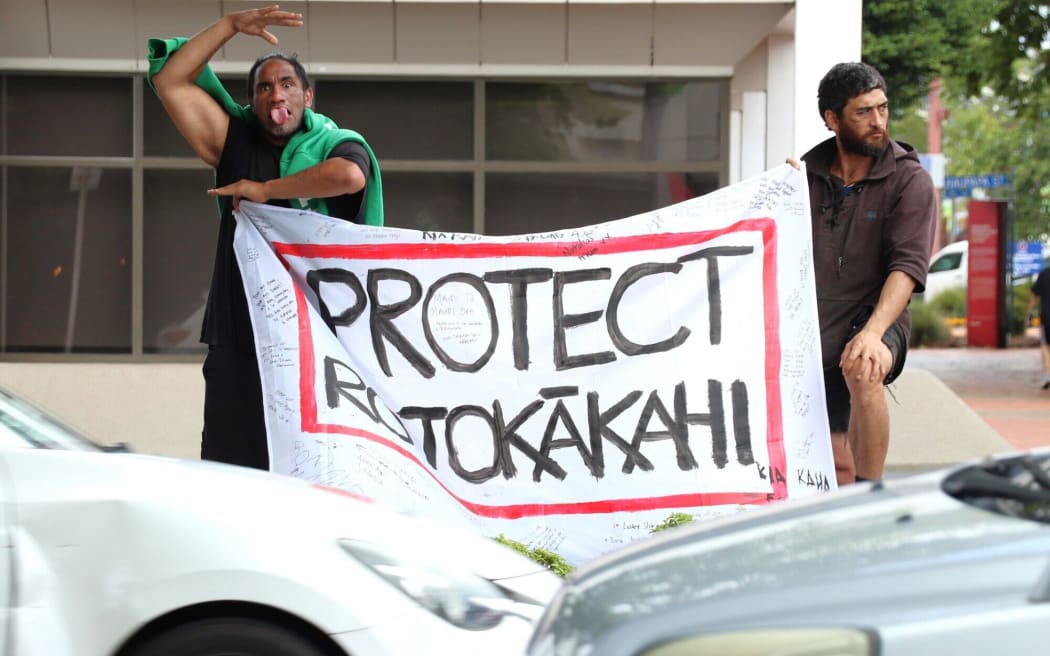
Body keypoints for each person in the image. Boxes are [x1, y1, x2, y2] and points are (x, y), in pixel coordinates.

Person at [147, 5, 384, 470]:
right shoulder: (234, 141)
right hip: (240, 335)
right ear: (254, 103)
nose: (276, 93)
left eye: (287, 84)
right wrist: (230, 26)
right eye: (264, 87)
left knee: (316, 472)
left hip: (320, 342)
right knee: (231, 468)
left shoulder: (336, 143)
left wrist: (264, 191)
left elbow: (350, 176)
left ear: (307, 98)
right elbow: (171, 80)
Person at [797, 62, 935, 485]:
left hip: (875, 315)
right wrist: (777, 192)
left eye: (883, 108)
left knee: (865, 366)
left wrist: (874, 331)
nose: (878, 122)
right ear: (832, 119)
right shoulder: (801, 176)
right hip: (809, 321)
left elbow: (907, 268)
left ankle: (869, 494)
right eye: (863, 112)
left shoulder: (910, 180)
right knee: (831, 462)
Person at [1027, 267, 1050, 389]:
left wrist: (1029, 314)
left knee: (1045, 346)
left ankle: (1048, 375)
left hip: (1047, 316)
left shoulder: (1044, 274)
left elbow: (1034, 296)